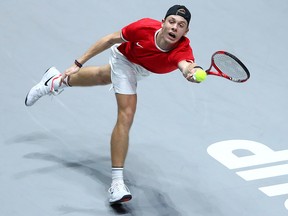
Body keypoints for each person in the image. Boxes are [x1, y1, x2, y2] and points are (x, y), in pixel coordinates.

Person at [25, 5, 203, 204]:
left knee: (102, 76)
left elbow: (186, 65)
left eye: (181, 25)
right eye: (171, 21)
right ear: (163, 22)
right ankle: (117, 184)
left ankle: (54, 81)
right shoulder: (144, 28)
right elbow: (110, 39)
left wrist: (192, 72)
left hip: (143, 68)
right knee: (126, 114)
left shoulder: (182, 50)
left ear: (185, 32)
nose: (174, 27)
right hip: (124, 58)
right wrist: (78, 63)